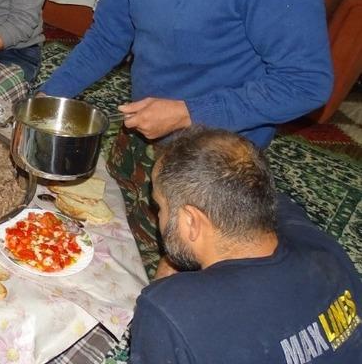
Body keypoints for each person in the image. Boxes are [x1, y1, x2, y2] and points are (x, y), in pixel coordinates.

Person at [39, 0, 333, 265]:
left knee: (179, 265)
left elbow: (306, 83)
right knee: (111, 231)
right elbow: (109, 36)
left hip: (215, 155)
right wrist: (44, 100)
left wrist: (185, 112)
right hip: (145, 124)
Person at [129, 127, 361, 363]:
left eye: (160, 207)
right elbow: (280, 204)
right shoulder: (323, 249)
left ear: (191, 221)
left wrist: (164, 285)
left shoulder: (170, 310)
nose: (158, 216)